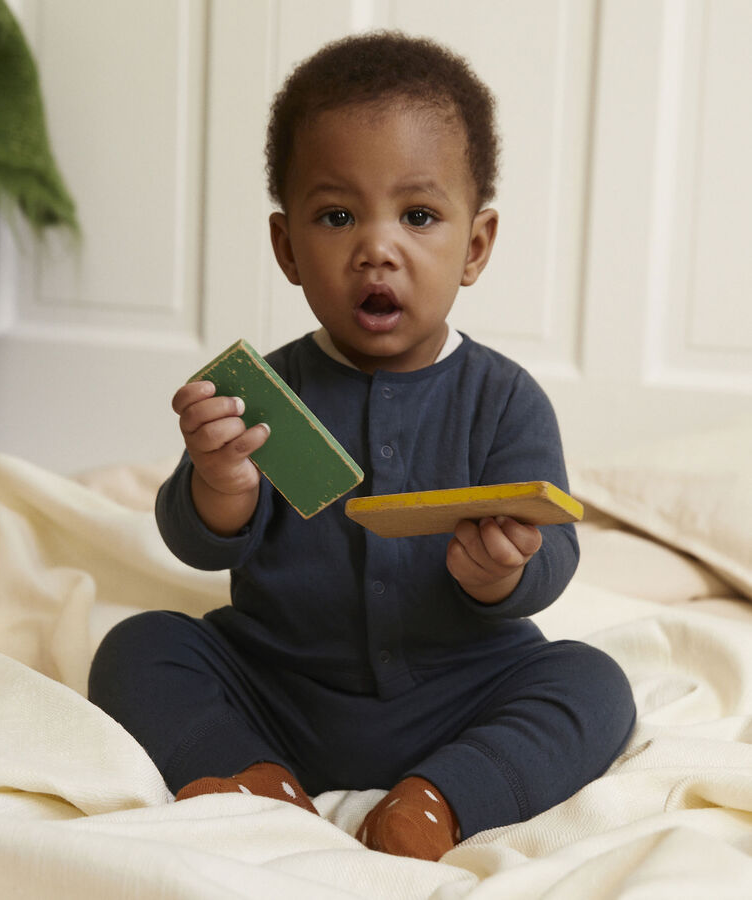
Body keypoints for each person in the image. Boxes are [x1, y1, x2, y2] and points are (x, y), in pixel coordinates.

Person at [89, 32, 635, 862]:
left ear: (475, 246)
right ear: (287, 250)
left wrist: (506, 574)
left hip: (458, 688)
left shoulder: (504, 398)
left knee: (594, 685)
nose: (377, 247)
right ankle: (252, 779)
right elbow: (193, 540)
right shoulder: (263, 393)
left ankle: (438, 800)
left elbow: (550, 550)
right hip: (276, 684)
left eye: (418, 216)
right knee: (139, 645)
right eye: (336, 216)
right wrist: (219, 479)